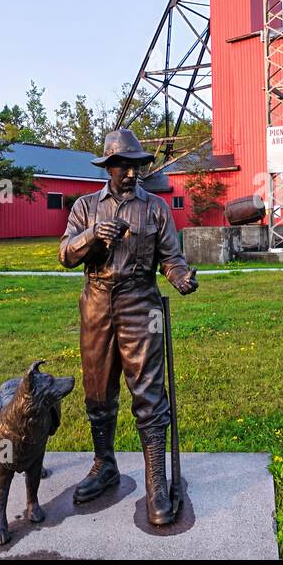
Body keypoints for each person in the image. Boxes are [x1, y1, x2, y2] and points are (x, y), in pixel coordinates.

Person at [58, 128, 198, 527]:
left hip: (141, 302)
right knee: (98, 390)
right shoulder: (85, 206)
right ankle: (105, 465)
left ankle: (156, 481)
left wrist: (181, 276)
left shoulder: (155, 208)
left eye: (137, 167)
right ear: (109, 168)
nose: (132, 174)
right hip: (97, 302)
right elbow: (65, 254)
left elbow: (170, 257)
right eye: (125, 167)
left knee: (149, 391)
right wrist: (91, 237)